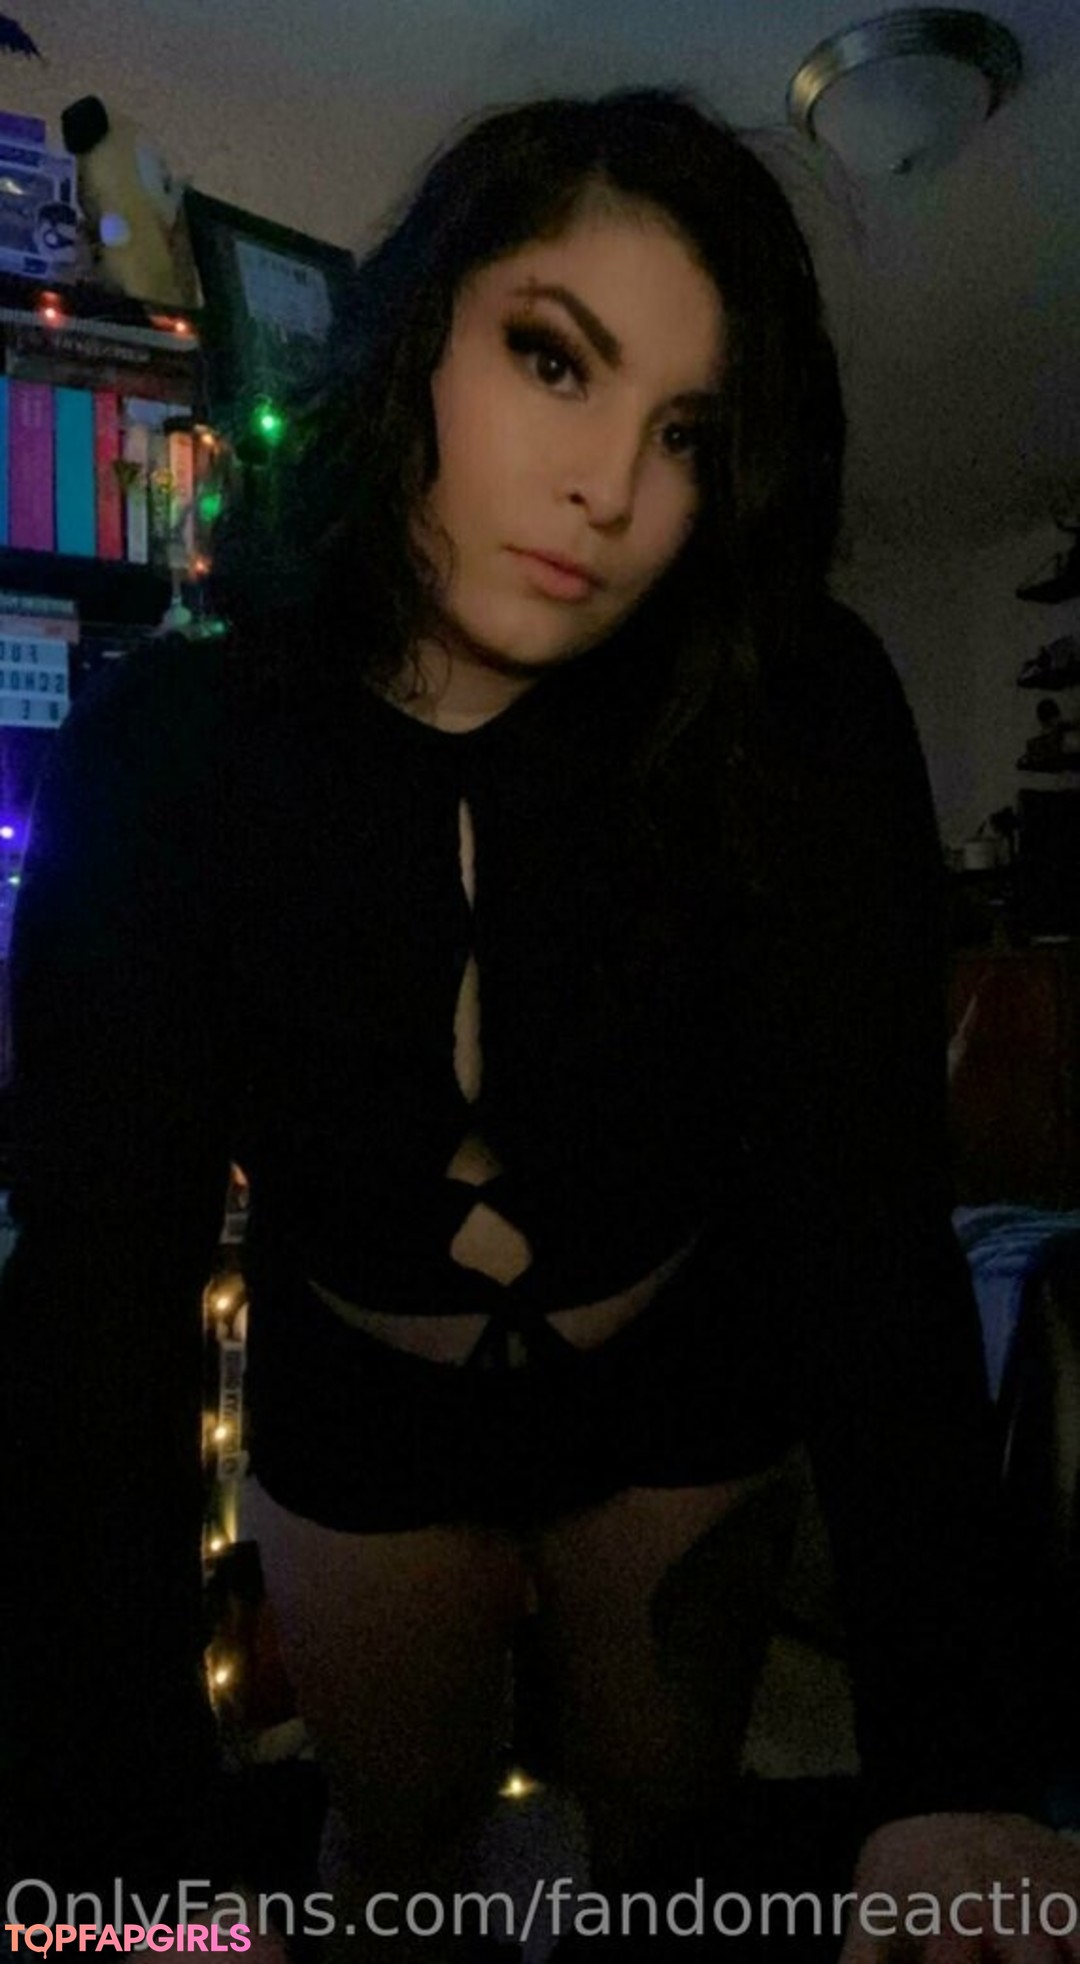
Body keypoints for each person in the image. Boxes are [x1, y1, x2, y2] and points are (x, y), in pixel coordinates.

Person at [2, 86, 1077, 1962]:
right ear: (421, 330)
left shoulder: (792, 715)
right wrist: (118, 1854)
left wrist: (952, 1768)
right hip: (362, 1405)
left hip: (681, 1385)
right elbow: (95, 1314)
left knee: (663, 1858)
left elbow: (872, 1234)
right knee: (393, 1858)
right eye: (555, 360)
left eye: (689, 432)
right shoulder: (166, 755)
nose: (615, 491)